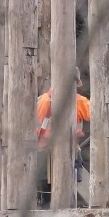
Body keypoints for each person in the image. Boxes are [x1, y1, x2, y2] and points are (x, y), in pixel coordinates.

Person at [36, 67, 90, 206]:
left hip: (42, 153)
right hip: (67, 153)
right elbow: (98, 114)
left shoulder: (41, 100)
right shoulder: (79, 101)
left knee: (46, 199)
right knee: (68, 197)